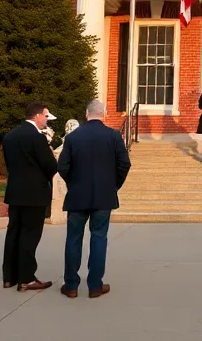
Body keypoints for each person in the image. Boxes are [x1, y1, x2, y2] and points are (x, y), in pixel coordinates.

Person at [57, 98, 131, 299]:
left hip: (77, 196)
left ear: (86, 114)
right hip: (103, 196)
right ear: (104, 114)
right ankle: (95, 286)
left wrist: (73, 184)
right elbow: (124, 164)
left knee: (73, 239)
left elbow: (62, 166)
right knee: (99, 238)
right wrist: (114, 185)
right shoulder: (113, 136)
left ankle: (71, 285)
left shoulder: (73, 137)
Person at [2, 101, 60, 292]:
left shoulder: (10, 136)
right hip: (34, 194)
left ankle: (9, 276)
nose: (46, 120)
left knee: (14, 233)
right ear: (36, 116)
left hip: (15, 191)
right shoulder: (36, 138)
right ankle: (26, 278)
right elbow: (50, 166)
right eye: (45, 116)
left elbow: (9, 164)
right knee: (30, 234)